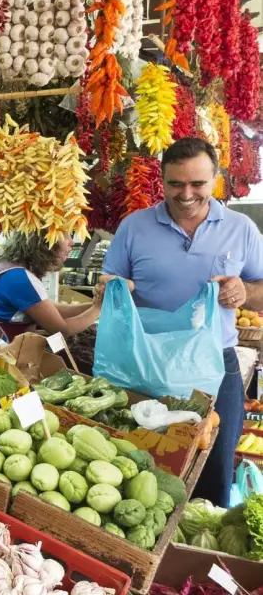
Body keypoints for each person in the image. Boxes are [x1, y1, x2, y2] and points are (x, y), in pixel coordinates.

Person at [100, 136, 263, 508]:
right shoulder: (134, 227)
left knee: (214, 467)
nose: (186, 193)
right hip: (144, 363)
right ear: (161, 180)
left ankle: (195, 555)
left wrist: (245, 292)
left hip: (215, 366)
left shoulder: (241, 230)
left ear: (216, 179)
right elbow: (107, 284)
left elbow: (261, 289)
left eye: (197, 184)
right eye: (175, 184)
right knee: (139, 464)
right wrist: (112, 288)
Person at [0, 231, 110, 342]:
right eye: (66, 235)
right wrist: (98, 308)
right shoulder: (20, 279)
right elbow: (62, 330)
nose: (72, 243)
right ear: (44, 240)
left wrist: (93, 305)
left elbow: (48, 308)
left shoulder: (11, 264)